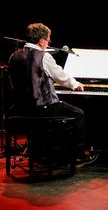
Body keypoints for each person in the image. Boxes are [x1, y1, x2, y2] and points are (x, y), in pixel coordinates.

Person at [7, 23, 96, 165]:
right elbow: (60, 76)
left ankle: (40, 153)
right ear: (41, 40)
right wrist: (76, 84)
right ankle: (77, 155)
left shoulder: (14, 56)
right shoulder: (43, 56)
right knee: (78, 114)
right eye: (48, 39)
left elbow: (13, 81)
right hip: (42, 108)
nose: (49, 42)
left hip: (20, 109)